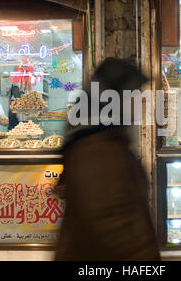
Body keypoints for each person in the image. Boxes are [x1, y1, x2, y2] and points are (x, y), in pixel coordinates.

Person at [54, 57, 160, 261]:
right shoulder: (97, 149)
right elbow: (113, 230)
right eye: (136, 94)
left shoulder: (107, 139)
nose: (144, 100)